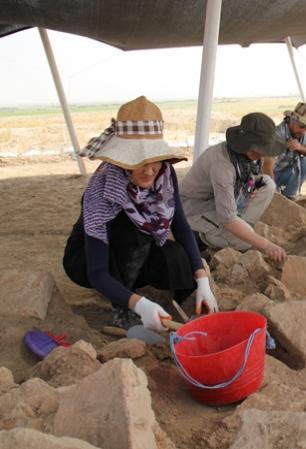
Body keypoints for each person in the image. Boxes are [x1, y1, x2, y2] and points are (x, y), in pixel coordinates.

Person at [63, 96, 218, 332]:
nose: (148, 170)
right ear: (122, 160)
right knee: (133, 231)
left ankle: (187, 303)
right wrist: (139, 305)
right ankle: (122, 310)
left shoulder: (164, 174)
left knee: (177, 256)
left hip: (137, 254)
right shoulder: (105, 188)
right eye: (138, 161)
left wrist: (201, 279)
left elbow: (181, 226)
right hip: (90, 260)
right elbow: (97, 272)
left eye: (154, 160)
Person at [180, 112, 288, 262]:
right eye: (258, 149)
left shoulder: (245, 156)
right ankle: (201, 238)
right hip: (195, 207)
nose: (262, 154)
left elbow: (252, 178)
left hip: (222, 199)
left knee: (267, 184)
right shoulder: (222, 165)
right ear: (246, 145)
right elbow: (227, 218)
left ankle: (243, 227)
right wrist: (266, 245)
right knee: (244, 241)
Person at [267, 102, 306, 199]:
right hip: (267, 176)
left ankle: (289, 196)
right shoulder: (277, 134)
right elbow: (266, 166)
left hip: (283, 174)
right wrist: (273, 193)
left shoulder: (301, 134)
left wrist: (300, 147)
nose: (304, 131)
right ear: (292, 120)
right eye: (301, 127)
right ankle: (277, 196)